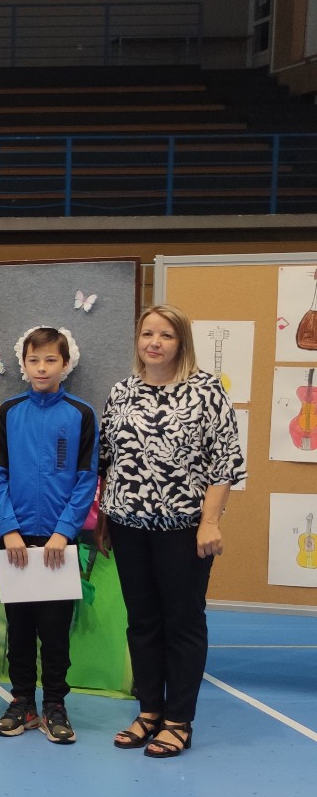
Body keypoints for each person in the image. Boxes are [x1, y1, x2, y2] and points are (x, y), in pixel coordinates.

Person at [99, 304, 244, 759]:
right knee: (142, 621)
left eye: (165, 335)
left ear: (181, 342)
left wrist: (210, 522)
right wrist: (103, 520)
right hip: (127, 526)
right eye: (147, 334)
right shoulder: (122, 391)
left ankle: (179, 720)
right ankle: (149, 711)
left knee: (182, 622)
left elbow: (225, 464)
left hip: (183, 530)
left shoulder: (206, 391)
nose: (155, 343)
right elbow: (107, 461)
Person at [0, 326, 98, 744]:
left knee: (54, 629)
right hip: (16, 540)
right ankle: (22, 702)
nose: (42, 367)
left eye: (51, 359)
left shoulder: (81, 414)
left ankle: (54, 704)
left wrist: (64, 532)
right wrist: (9, 529)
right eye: (34, 360)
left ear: (65, 364)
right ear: (23, 364)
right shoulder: (9, 412)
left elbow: (86, 478)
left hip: (57, 543)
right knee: (19, 628)